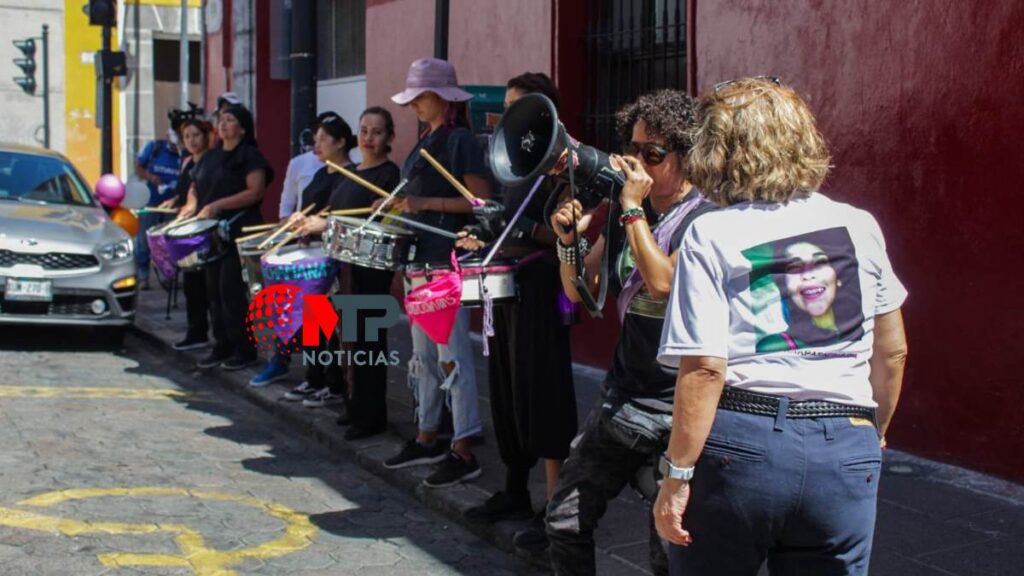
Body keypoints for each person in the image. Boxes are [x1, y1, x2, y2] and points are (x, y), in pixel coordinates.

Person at [653, 77, 908, 576]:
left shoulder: (711, 231)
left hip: (744, 443)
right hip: (846, 438)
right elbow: (892, 351)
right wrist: (871, 430)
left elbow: (705, 369)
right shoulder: (860, 224)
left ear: (717, 150)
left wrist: (676, 475)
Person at [544, 90, 716, 576]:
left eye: (654, 154)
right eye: (633, 149)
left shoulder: (706, 221)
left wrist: (633, 210)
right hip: (625, 393)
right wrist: (568, 243)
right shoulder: (625, 213)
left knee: (667, 549)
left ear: (688, 156)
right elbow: (579, 293)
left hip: (678, 404)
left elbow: (664, 284)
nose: (638, 163)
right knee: (563, 520)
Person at [459, 73, 578, 551]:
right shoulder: (512, 160)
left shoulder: (567, 163)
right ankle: (513, 490)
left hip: (545, 289)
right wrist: (487, 231)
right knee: (506, 392)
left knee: (543, 395)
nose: (509, 112)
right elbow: (507, 225)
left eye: (519, 104)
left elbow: (572, 233)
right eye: (507, 105)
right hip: (506, 288)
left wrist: (518, 226)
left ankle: (554, 509)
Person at [380, 57, 492, 488]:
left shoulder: (459, 140)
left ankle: (463, 448)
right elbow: (414, 198)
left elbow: (480, 201)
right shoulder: (426, 139)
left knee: (452, 360)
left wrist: (423, 205)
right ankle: (427, 434)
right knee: (423, 358)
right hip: (418, 260)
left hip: (445, 262)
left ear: (442, 98)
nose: (413, 106)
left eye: (420, 97)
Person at [290, 106, 401, 440]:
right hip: (345, 269)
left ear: (389, 137)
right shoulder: (349, 173)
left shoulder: (389, 175)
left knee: (367, 346)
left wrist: (329, 224)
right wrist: (311, 226)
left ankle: (370, 417)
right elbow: (335, 218)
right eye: (364, 130)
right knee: (346, 344)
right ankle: (354, 407)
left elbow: (381, 227)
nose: (369, 138)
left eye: (377, 132)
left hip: (370, 272)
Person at [250, 112, 355, 391]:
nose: (316, 146)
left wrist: (318, 225)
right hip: (311, 257)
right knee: (312, 322)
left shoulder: (351, 176)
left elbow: (344, 219)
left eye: (323, 140)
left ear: (341, 142)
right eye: (315, 140)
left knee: (331, 326)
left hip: (333, 258)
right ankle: (314, 377)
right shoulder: (321, 172)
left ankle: (333, 383)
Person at [178, 104, 274, 370]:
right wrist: (191, 205)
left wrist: (218, 204)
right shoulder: (211, 157)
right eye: (221, 120)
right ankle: (222, 346)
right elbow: (196, 186)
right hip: (212, 235)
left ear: (242, 128)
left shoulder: (250, 156)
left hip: (240, 233)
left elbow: (255, 192)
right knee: (213, 291)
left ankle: (244, 348)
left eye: (230, 120)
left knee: (230, 290)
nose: (223, 124)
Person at [167, 118, 214, 351]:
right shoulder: (187, 163)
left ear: (205, 136)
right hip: (190, 230)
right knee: (191, 283)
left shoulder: (212, 161)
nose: (192, 141)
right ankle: (196, 331)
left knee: (210, 286)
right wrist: (175, 202)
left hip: (207, 228)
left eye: (196, 135)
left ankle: (219, 337)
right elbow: (184, 193)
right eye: (187, 137)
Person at [135, 121, 182, 289]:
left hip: (173, 204)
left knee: (169, 240)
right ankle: (143, 275)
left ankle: (168, 275)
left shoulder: (184, 155)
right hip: (150, 200)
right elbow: (138, 167)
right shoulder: (155, 148)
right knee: (143, 239)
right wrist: (151, 177)